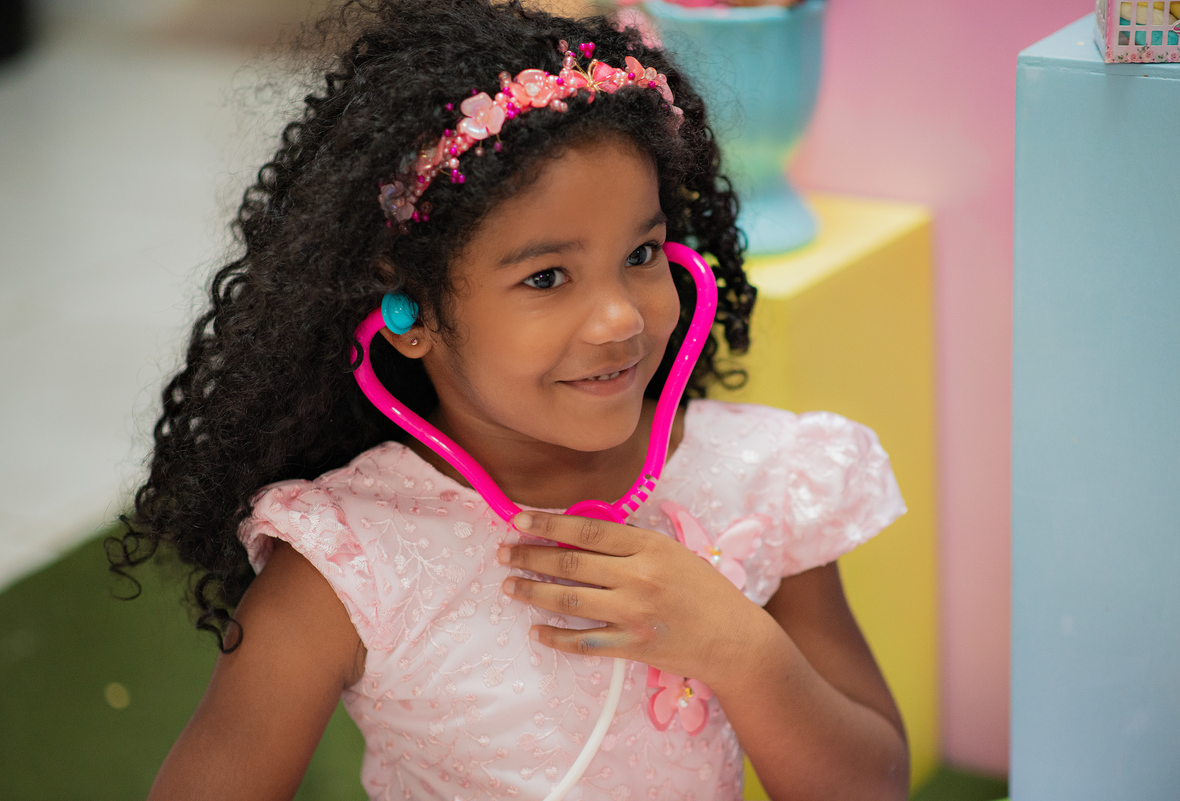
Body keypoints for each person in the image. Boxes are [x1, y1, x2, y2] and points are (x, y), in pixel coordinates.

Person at [110, 0, 910, 798]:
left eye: (641, 253)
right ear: (413, 314)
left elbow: (872, 784)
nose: (620, 318)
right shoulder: (349, 562)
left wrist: (740, 646)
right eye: (547, 277)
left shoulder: (764, 478)